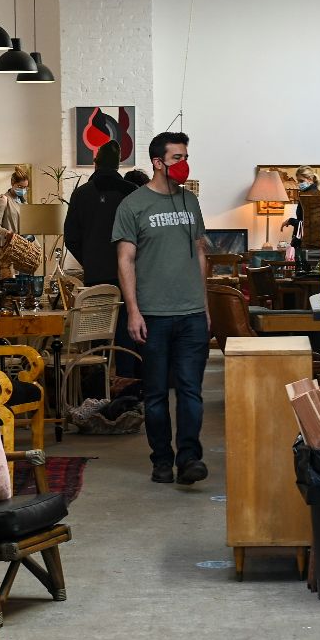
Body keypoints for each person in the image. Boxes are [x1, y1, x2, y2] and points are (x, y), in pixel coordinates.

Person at [113, 131, 211, 485]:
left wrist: (205, 304)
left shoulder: (191, 202)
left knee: (190, 391)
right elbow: (125, 260)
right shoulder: (134, 205)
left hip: (191, 315)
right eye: (177, 159)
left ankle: (189, 459)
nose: (183, 165)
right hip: (152, 315)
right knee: (155, 394)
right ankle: (161, 459)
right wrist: (133, 311)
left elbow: (200, 253)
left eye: (186, 157)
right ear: (157, 162)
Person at [65, 143, 135, 288]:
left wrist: (89, 259)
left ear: (96, 163)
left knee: (98, 310)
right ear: (117, 165)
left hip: (94, 273)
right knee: (127, 310)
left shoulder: (81, 193)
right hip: (128, 272)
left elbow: (71, 238)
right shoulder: (132, 192)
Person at [0, 165, 31, 267]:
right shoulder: (3, 200)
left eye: (25, 187)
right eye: (20, 187)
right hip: (6, 250)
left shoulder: (24, 203)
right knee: (7, 281)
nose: (23, 190)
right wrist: (8, 234)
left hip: (21, 250)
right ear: (12, 183)